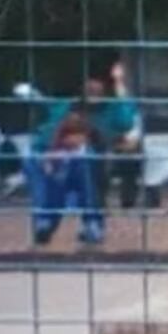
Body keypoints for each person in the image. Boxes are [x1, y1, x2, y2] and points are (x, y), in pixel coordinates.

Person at [28, 83, 104, 247]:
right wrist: (51, 158)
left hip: (81, 160)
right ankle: (46, 225)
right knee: (54, 192)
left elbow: (97, 141)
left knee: (88, 192)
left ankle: (92, 226)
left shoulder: (97, 119)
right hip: (62, 159)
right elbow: (55, 140)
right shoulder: (66, 114)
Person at [92, 56, 146, 210]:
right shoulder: (106, 101)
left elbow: (133, 117)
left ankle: (127, 200)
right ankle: (101, 200)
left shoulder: (126, 101)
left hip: (124, 137)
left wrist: (131, 138)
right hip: (110, 138)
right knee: (103, 166)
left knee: (129, 164)